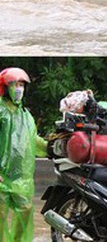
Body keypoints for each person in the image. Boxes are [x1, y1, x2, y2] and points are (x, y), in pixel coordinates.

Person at [0, 67, 48, 242]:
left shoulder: (26, 115)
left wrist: (52, 147)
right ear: (4, 87)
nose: (19, 88)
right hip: (1, 177)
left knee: (26, 212)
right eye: (14, 84)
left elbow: (33, 140)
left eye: (21, 84)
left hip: (22, 179)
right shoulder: (0, 110)